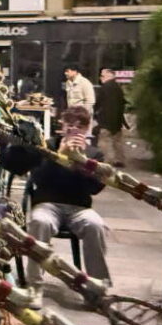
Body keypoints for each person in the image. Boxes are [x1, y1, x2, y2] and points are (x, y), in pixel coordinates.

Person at [22, 105, 110, 308]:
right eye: (69, 125)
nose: (74, 130)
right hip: (48, 204)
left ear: (87, 129)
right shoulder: (48, 146)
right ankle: (34, 286)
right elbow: (38, 178)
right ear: (61, 126)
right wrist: (59, 157)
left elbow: (95, 188)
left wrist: (83, 162)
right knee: (39, 222)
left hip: (79, 208)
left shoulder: (95, 154)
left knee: (95, 225)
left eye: (80, 126)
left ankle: (97, 290)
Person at [95, 68, 127, 167]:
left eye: (102, 76)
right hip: (117, 120)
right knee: (117, 140)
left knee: (104, 141)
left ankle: (108, 160)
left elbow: (98, 103)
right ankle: (119, 159)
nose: (101, 79)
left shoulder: (104, 88)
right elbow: (122, 104)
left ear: (109, 76)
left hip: (105, 120)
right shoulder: (118, 88)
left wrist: (95, 113)